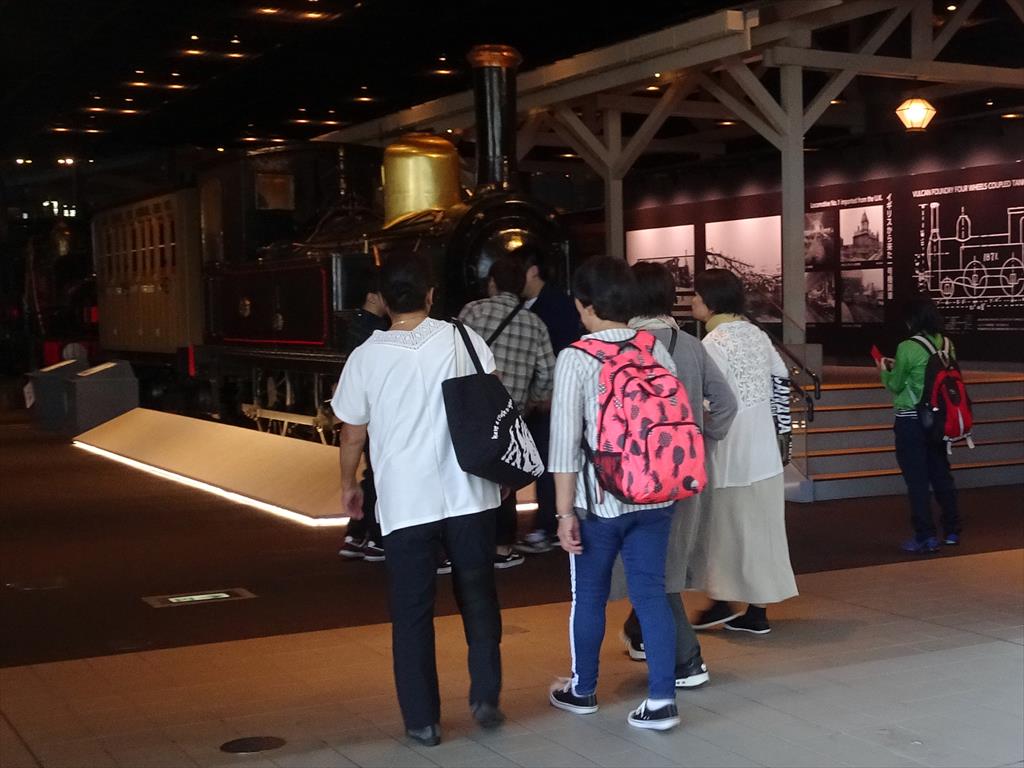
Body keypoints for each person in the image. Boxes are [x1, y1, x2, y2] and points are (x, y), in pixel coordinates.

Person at [331, 253, 504, 747]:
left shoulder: (366, 356)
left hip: (406, 501)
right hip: (470, 492)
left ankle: (423, 720)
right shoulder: (464, 339)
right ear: (431, 295)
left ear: (383, 301)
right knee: (478, 594)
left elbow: (352, 433)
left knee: (411, 610)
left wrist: (348, 484)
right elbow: (493, 401)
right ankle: (485, 694)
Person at [547, 256, 682, 731]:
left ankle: (583, 689)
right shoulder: (655, 348)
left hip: (598, 502)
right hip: (656, 494)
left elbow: (564, 444)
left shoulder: (577, 357)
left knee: (589, 594)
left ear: (584, 305)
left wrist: (563, 513)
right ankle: (661, 701)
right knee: (651, 594)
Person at [612, 262, 737, 688]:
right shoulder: (690, 345)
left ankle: (688, 659)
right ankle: (639, 633)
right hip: (686, 471)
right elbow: (727, 404)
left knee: (654, 567)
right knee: (665, 556)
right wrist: (703, 436)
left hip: (636, 475)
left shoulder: (623, 346)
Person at [688, 268, 798, 635]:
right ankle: (756, 611)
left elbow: (709, 399)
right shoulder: (757, 334)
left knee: (724, 532)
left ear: (710, 302)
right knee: (762, 532)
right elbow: (781, 377)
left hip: (729, 454)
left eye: (696, 295)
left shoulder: (712, 343)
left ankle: (721, 601)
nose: (692, 302)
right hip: (764, 452)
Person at [459, 255, 556, 569]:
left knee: (466, 476)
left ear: (492, 283)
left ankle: (465, 546)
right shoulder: (535, 324)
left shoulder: (472, 311)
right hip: (509, 415)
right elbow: (548, 376)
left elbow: (453, 355)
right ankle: (501, 548)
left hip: (470, 412)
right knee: (502, 479)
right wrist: (530, 401)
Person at [513, 245, 583, 554]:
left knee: (550, 459)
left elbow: (566, 350)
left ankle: (549, 524)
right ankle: (544, 524)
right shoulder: (524, 305)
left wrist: (554, 393)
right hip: (532, 401)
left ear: (532, 271)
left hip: (552, 399)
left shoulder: (557, 304)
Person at [878, 297, 960, 554]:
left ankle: (926, 536)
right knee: (941, 474)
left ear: (912, 320)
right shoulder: (947, 344)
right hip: (939, 420)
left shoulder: (907, 347)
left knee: (917, 480)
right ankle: (952, 531)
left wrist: (884, 369)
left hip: (911, 421)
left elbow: (896, 384)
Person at [338, 284, 389, 562]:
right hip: (374, 411)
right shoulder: (373, 330)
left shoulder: (356, 325)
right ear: (371, 296)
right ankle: (376, 536)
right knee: (377, 473)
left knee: (372, 471)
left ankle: (357, 533)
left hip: (363, 408)